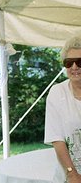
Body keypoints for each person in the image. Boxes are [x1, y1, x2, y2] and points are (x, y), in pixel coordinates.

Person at [45, 35, 81, 183]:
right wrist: (72, 174)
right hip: (69, 176)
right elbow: (57, 138)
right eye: (68, 62)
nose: (74, 67)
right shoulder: (57, 92)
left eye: (79, 61)